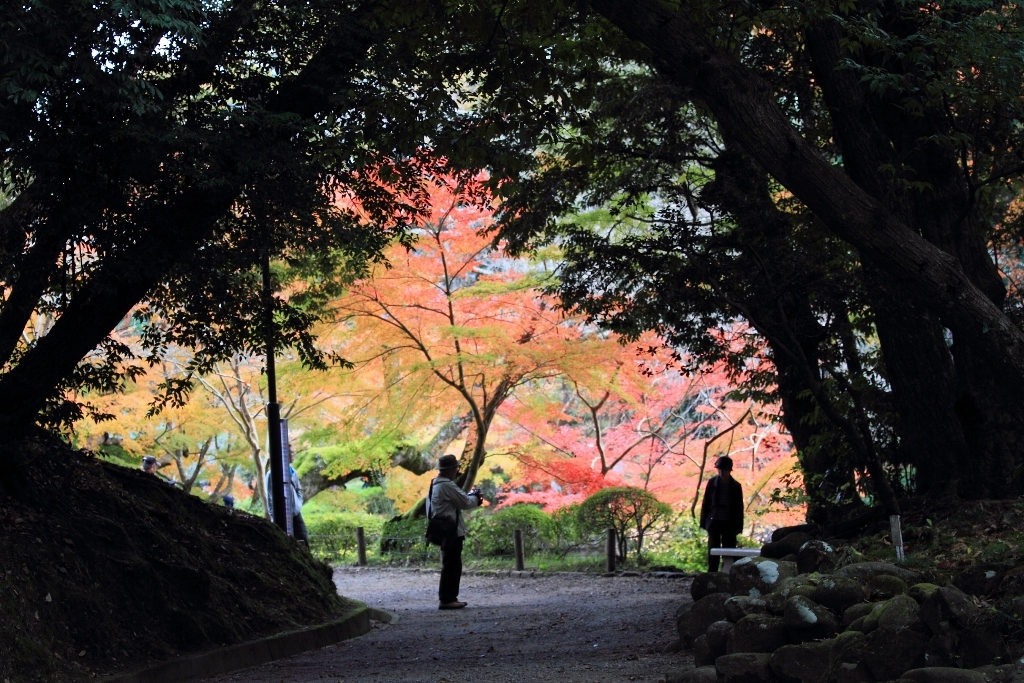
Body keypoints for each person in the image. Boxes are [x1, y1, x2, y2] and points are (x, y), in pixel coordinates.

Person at [427, 454, 482, 610]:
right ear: (451, 469)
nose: (457, 471)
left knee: (449, 563)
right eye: (456, 468)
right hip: (451, 530)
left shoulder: (434, 484)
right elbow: (464, 502)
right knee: (452, 565)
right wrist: (476, 498)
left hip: (441, 529)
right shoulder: (447, 485)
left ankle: (448, 598)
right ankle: (448, 599)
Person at [699, 455, 744, 572]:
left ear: (729, 470)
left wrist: (739, 526)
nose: (721, 472)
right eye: (719, 470)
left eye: (723, 470)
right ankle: (712, 574)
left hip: (729, 522)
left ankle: (728, 573)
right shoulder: (712, 483)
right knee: (713, 549)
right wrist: (703, 521)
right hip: (714, 520)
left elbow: (739, 508)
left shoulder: (736, 486)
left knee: (729, 549)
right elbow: (706, 503)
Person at [265, 448, 310, 545]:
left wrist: (298, 505)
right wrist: (273, 515)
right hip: (281, 515)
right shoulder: (271, 474)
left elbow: (298, 490)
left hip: (295, 513)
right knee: (285, 542)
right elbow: (269, 497)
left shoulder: (293, 472)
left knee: (303, 539)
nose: (293, 454)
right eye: (291, 452)